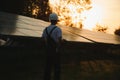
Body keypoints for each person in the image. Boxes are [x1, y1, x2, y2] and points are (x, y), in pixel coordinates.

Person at [42, 13, 62, 80]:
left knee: (48, 67)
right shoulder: (58, 29)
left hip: (48, 51)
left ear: (50, 20)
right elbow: (59, 41)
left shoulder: (45, 29)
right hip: (55, 51)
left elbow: (43, 39)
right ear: (56, 20)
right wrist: (58, 49)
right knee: (56, 68)